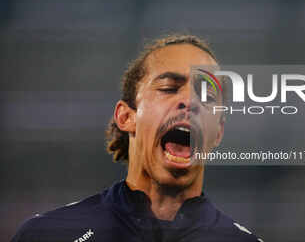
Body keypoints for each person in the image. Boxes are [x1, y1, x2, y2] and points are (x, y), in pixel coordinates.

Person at [12, 34, 263, 242]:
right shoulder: (48, 235)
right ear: (126, 117)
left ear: (217, 133)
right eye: (168, 88)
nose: (190, 102)